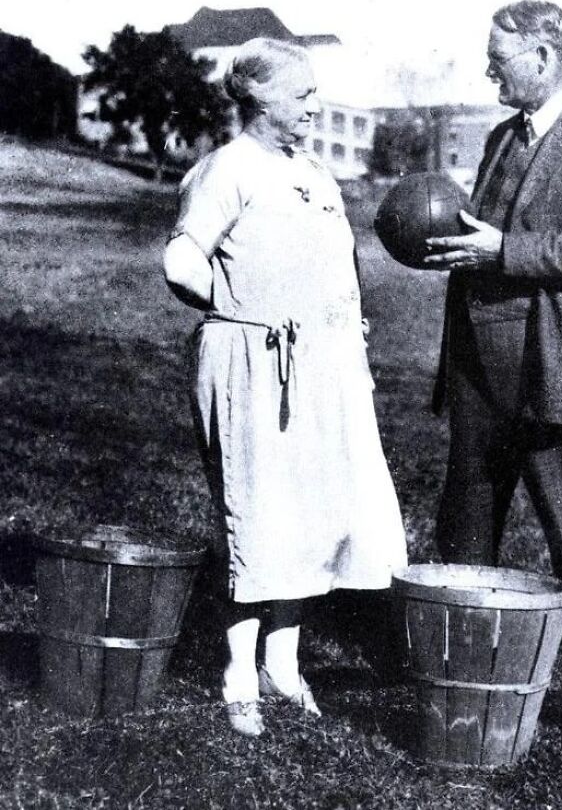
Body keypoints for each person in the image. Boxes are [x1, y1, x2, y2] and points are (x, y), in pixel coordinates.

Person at [163, 36, 406, 736]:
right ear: (261, 97)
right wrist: (241, 309)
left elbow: (337, 271)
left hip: (323, 367)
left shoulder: (314, 174)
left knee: (316, 512)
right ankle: (239, 672)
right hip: (250, 360)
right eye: (302, 95)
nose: (312, 106)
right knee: (260, 510)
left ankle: (284, 664)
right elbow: (182, 261)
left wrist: (339, 333)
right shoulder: (226, 169)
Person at [425, 0, 562, 761]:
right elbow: (482, 241)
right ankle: (459, 677)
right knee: (464, 537)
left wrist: (504, 254)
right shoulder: (499, 138)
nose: (488, 67)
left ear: (547, 58)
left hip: (561, 374)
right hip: (481, 375)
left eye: (501, 55)